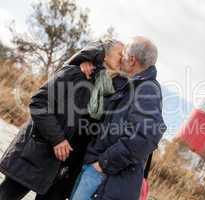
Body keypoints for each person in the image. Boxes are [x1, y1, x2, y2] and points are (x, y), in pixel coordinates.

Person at [0, 39, 124, 200]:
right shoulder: (76, 73)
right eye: (119, 54)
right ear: (105, 54)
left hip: (60, 164)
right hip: (38, 152)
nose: (122, 58)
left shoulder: (99, 81)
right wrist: (58, 139)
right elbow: (39, 103)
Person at [70, 36, 167, 200]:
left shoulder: (146, 89)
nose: (121, 57)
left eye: (124, 54)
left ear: (132, 59)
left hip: (105, 176)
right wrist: (86, 64)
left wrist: (104, 163)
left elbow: (145, 136)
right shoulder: (131, 84)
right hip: (99, 172)